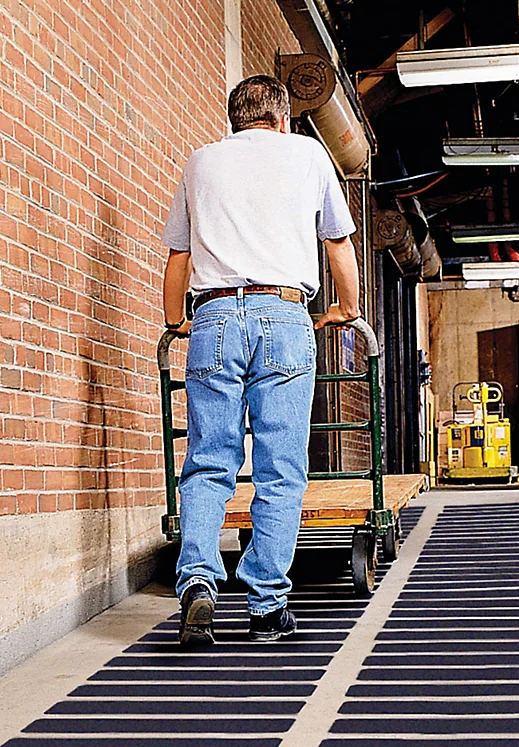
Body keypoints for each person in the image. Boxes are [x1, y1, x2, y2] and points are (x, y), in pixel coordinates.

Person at [160, 74, 361, 647]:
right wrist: (346, 308)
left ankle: (198, 583)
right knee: (280, 468)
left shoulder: (201, 162)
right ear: (282, 119)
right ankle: (266, 605)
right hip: (284, 312)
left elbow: (179, 253)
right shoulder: (309, 153)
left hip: (215, 316)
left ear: (234, 121)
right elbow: (338, 243)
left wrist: (177, 320)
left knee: (207, 463)